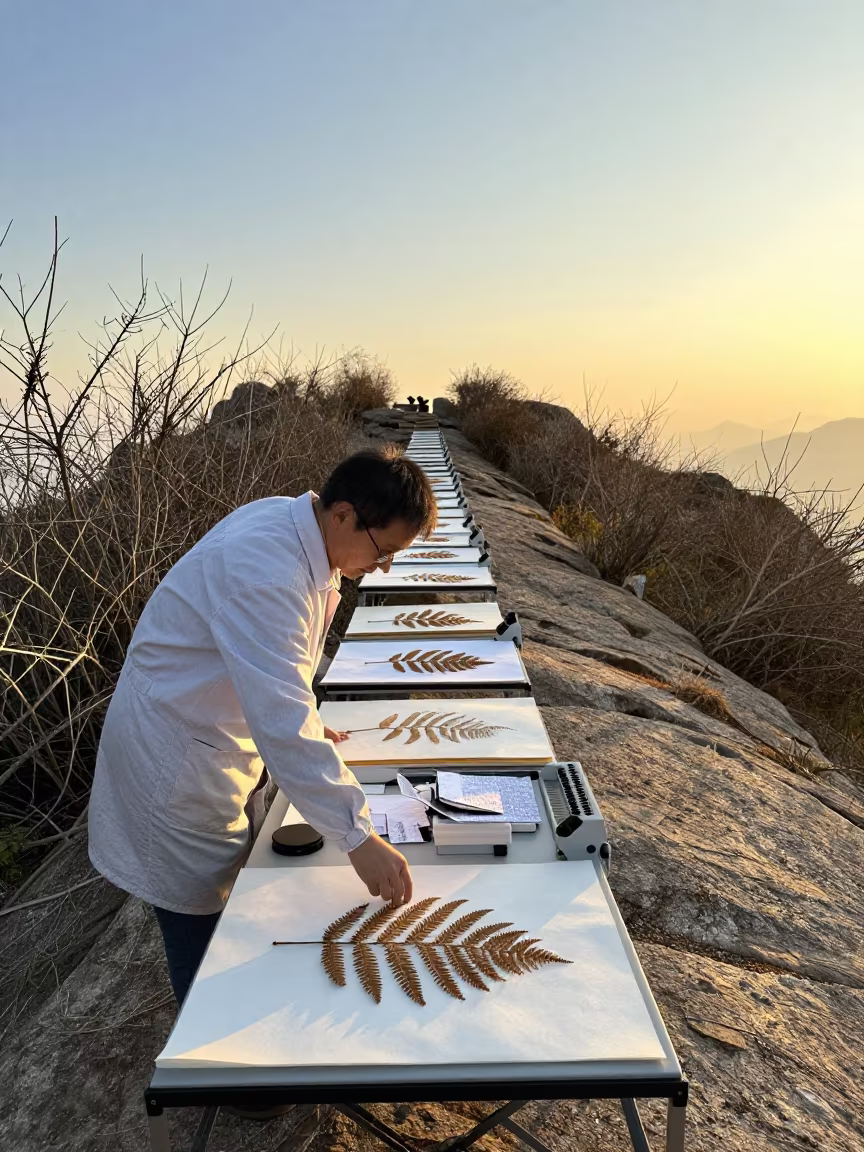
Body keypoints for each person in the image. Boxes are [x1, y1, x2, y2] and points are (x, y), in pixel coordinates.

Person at [88, 447, 436, 1007]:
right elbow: (280, 721)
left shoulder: (299, 525)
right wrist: (357, 836)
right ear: (344, 514)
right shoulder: (266, 571)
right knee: (195, 924)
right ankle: (218, 1071)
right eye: (384, 551)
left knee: (227, 906)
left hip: (207, 731)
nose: (382, 567)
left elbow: (276, 666)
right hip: (174, 760)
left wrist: (303, 718)